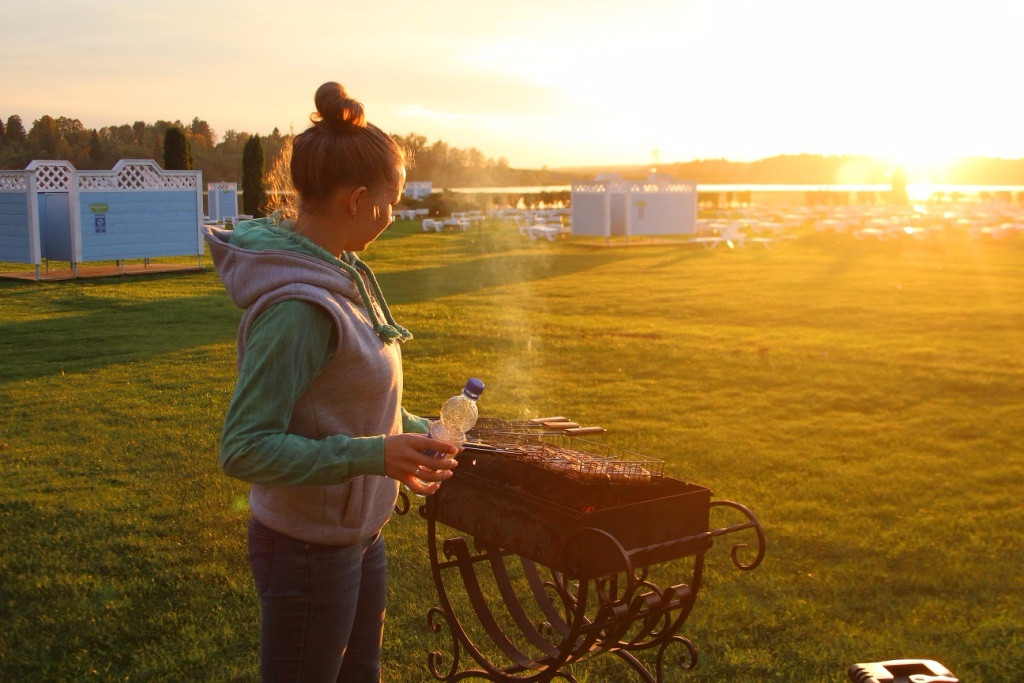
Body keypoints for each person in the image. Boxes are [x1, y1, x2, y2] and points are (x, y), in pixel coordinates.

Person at [204, 81, 460, 682]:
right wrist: (376, 454)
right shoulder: (297, 309)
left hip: (357, 537)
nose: (392, 215)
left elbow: (345, 405)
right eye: (391, 201)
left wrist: (419, 433)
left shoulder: (340, 277)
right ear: (358, 199)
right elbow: (244, 447)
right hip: (306, 550)